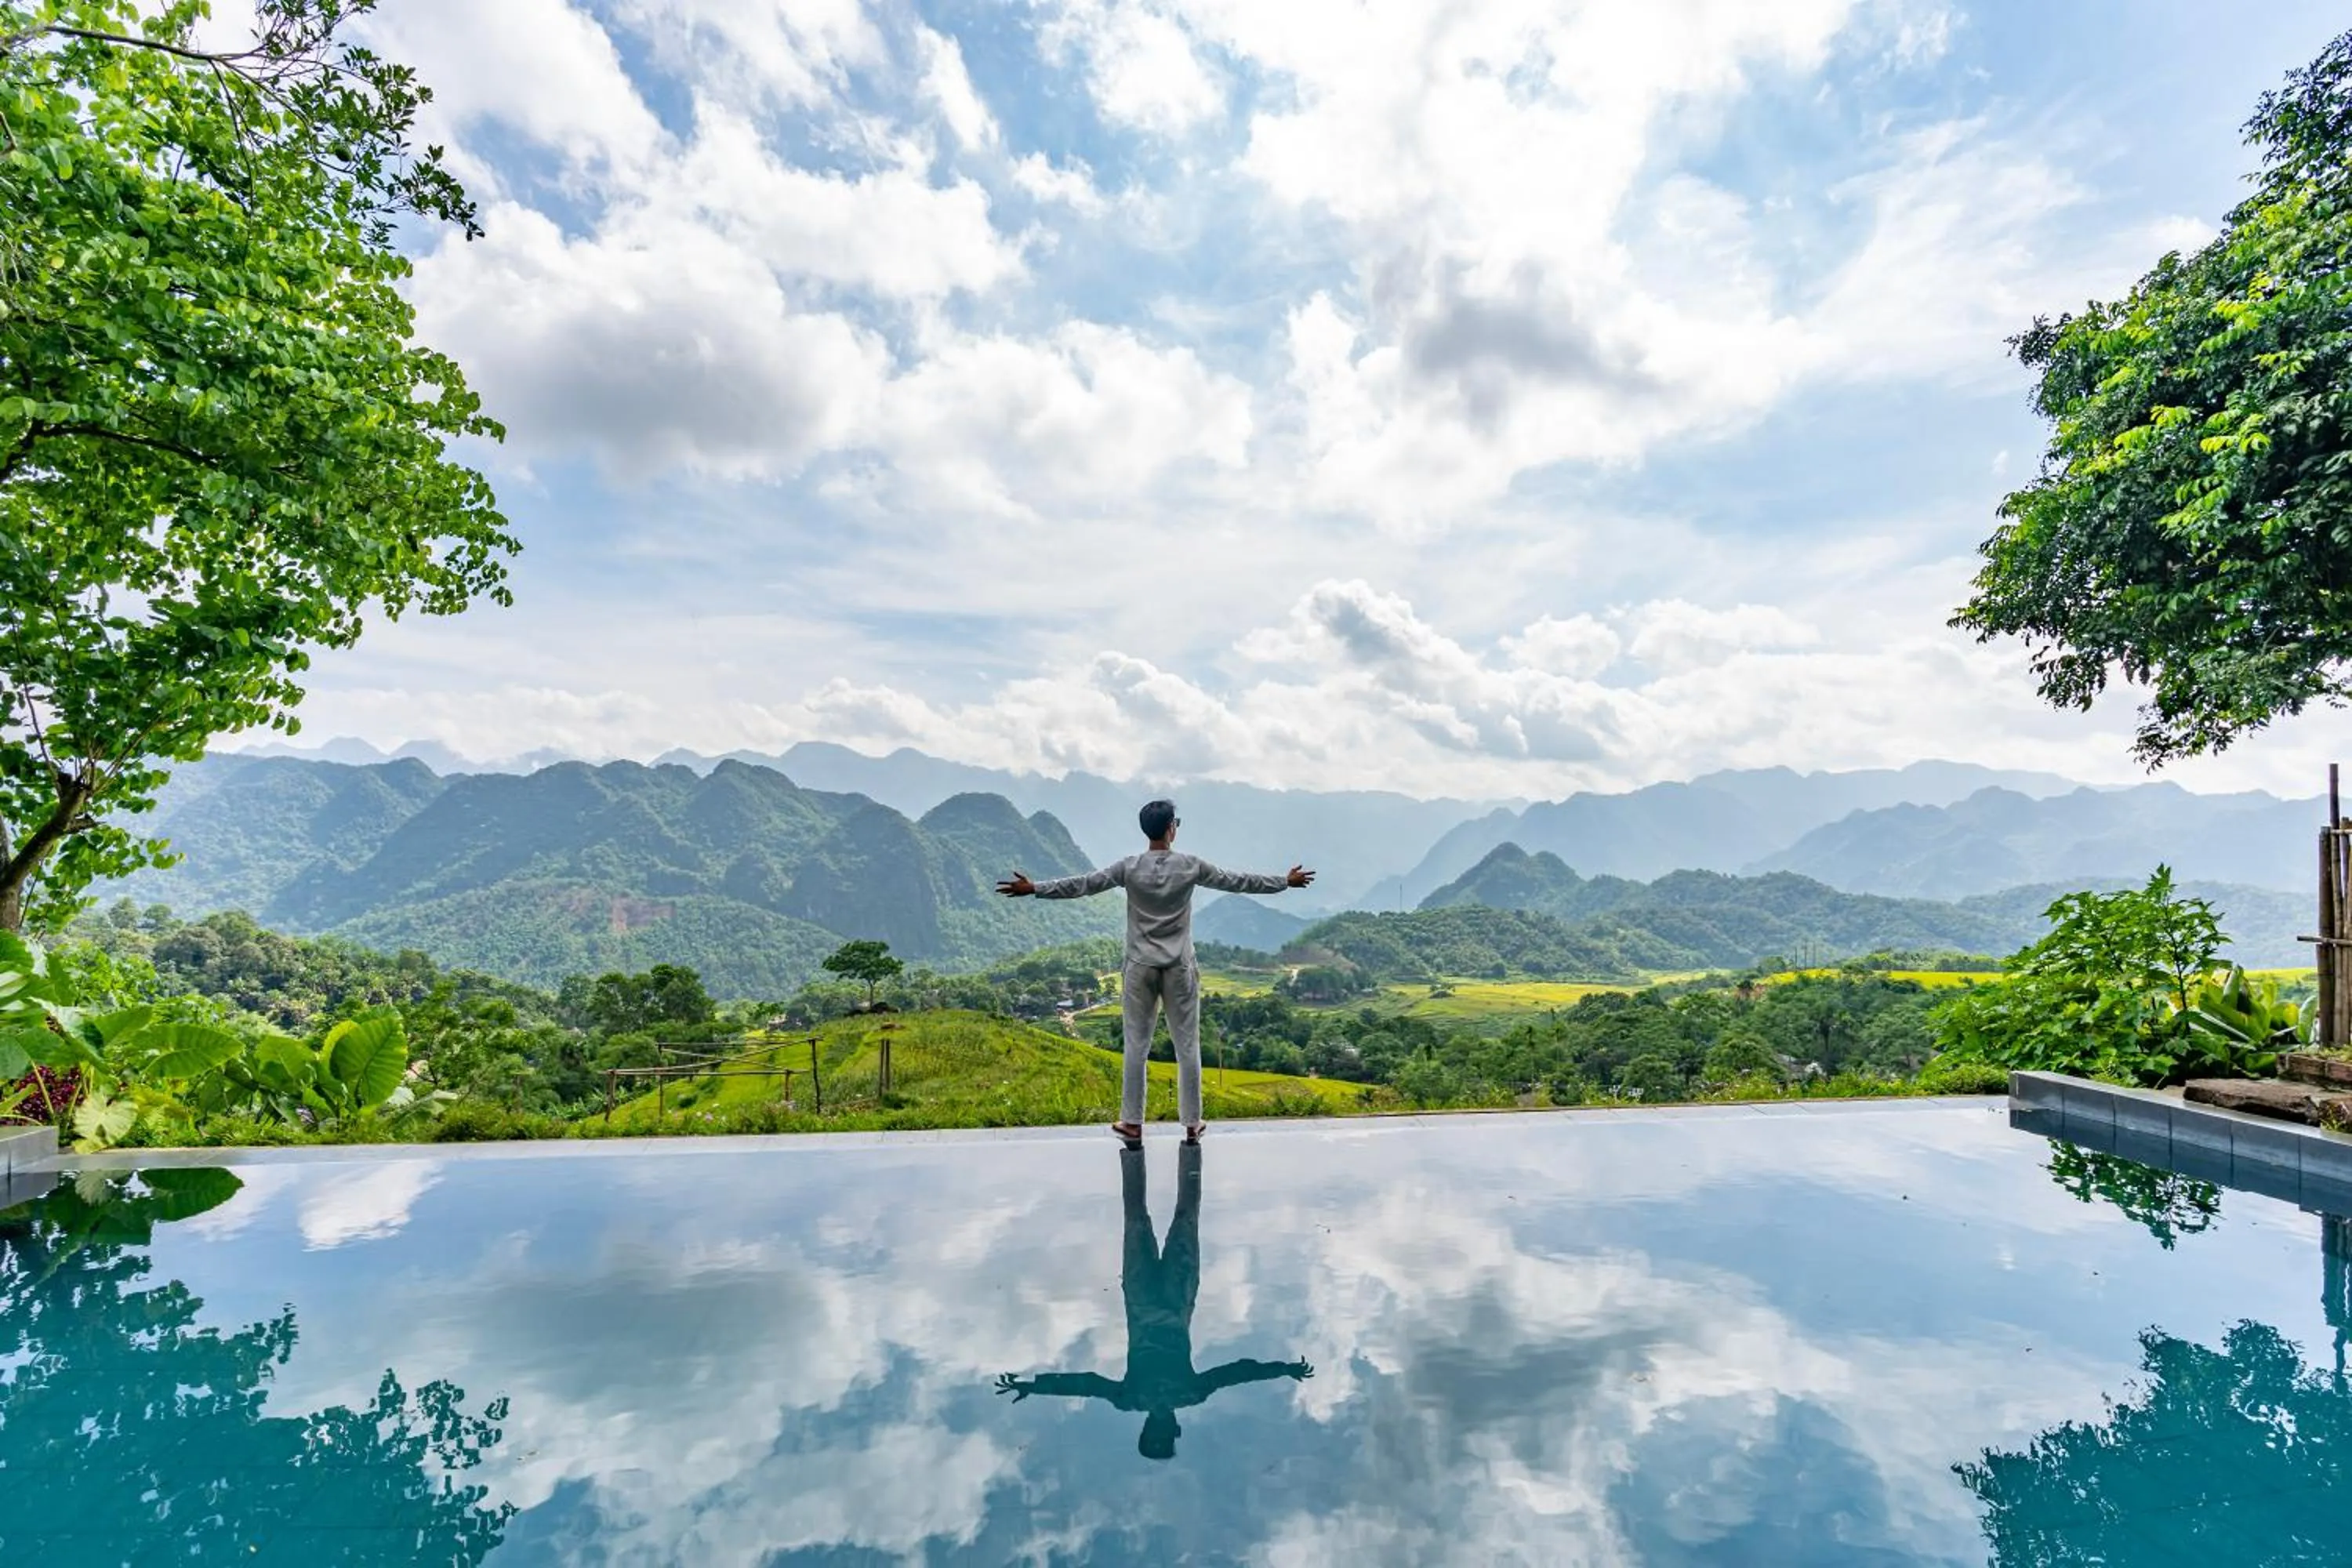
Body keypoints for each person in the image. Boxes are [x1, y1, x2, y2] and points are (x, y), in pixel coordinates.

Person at [997, 799, 1312, 1144]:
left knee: (1136, 1045)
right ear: (1171, 829)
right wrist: (1285, 881)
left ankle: (1132, 1122)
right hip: (1179, 967)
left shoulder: (1129, 868)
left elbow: (1083, 884)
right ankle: (1192, 1123)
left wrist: (1035, 888)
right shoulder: (1191, 866)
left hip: (1139, 967)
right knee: (1187, 1045)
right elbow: (1238, 881)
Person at [995, 1141, 1312, 1460]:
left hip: (1143, 1294)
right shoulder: (1187, 1394)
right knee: (1179, 1220)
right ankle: (1188, 1144)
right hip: (1174, 1295)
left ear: (1152, 1428)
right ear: (1173, 1428)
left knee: (1139, 1221)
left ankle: (1138, 1148)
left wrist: (1036, 1385)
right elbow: (1235, 1374)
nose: (1161, 1428)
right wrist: (1280, 1368)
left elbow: (1086, 1384)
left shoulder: (1133, 1398)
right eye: (1164, 1434)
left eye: (1156, 1433)